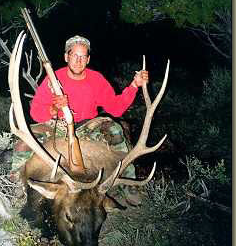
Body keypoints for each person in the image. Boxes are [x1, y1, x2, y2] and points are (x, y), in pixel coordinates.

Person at [12, 35, 149, 205]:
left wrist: (134, 86)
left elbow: (116, 108)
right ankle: (16, 183)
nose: (78, 60)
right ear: (66, 57)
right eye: (74, 55)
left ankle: (128, 181)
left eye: (83, 56)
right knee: (22, 143)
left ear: (88, 59)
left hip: (87, 125)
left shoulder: (96, 79)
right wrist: (54, 109)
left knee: (115, 130)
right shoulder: (53, 78)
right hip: (57, 124)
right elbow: (35, 113)